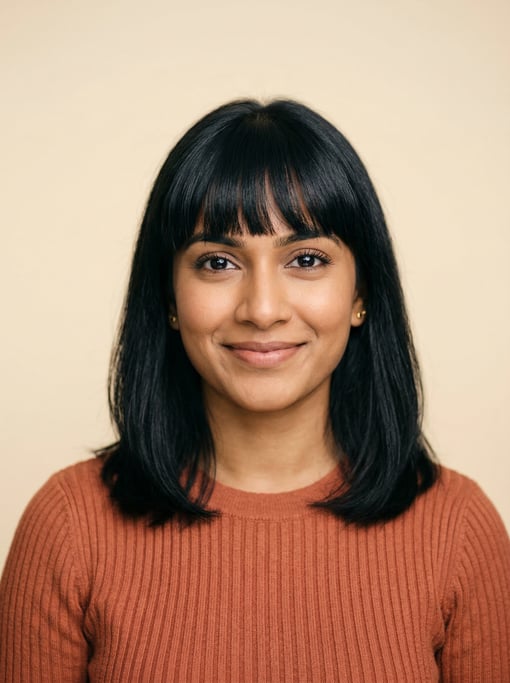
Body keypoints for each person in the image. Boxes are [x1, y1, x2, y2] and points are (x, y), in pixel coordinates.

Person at [0, 99, 509, 683]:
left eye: (307, 259)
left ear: (361, 293)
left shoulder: (460, 529)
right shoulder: (67, 526)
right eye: (218, 262)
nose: (262, 310)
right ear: (168, 297)